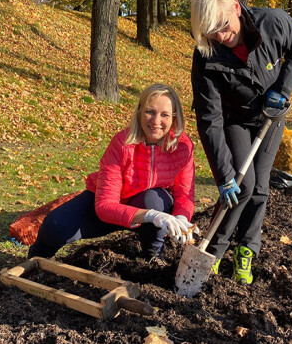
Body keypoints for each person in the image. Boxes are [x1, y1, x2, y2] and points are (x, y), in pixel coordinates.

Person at [189, 0, 292, 285]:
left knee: (259, 188)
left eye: (223, 25)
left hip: (271, 115)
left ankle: (246, 251)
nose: (219, 35)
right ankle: (213, 252)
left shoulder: (272, 23)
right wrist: (222, 174)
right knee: (239, 187)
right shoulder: (206, 56)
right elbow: (209, 118)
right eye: (211, 30)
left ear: (236, 7)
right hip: (234, 121)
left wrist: (283, 89)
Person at [28, 84, 197, 262]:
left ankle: (153, 257)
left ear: (174, 119)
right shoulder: (121, 144)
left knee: (154, 199)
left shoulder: (183, 147)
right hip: (110, 206)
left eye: (164, 115)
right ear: (139, 112)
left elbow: (185, 195)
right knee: (55, 225)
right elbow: (105, 206)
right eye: (150, 112)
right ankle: (37, 258)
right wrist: (151, 215)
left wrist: (181, 218)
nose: (156, 121)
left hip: (146, 204)